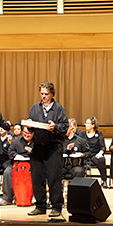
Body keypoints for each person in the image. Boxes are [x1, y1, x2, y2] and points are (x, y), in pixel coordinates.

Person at [26, 81, 69, 217]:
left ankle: (56, 206)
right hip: (38, 146)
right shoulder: (35, 108)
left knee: (54, 178)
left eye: (46, 94)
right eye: (42, 94)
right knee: (37, 178)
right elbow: (31, 125)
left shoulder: (59, 109)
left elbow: (64, 127)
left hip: (53, 147)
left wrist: (55, 126)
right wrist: (29, 125)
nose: (43, 96)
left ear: (52, 94)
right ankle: (40, 205)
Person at [0, 126, 34, 206]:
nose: (27, 135)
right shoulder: (16, 141)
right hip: (17, 164)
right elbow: (11, 152)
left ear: (33, 134)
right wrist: (17, 156)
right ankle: (7, 198)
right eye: (25, 133)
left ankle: (35, 198)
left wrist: (32, 152)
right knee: (7, 172)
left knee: (40, 172)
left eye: (29, 133)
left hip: (32, 165)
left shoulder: (37, 141)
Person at [79, 117, 107, 187]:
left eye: (88, 123)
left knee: (101, 160)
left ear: (93, 125)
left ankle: (104, 180)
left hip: (95, 154)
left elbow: (103, 147)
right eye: (85, 123)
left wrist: (100, 153)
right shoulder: (82, 134)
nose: (86, 125)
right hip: (85, 154)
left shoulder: (99, 134)